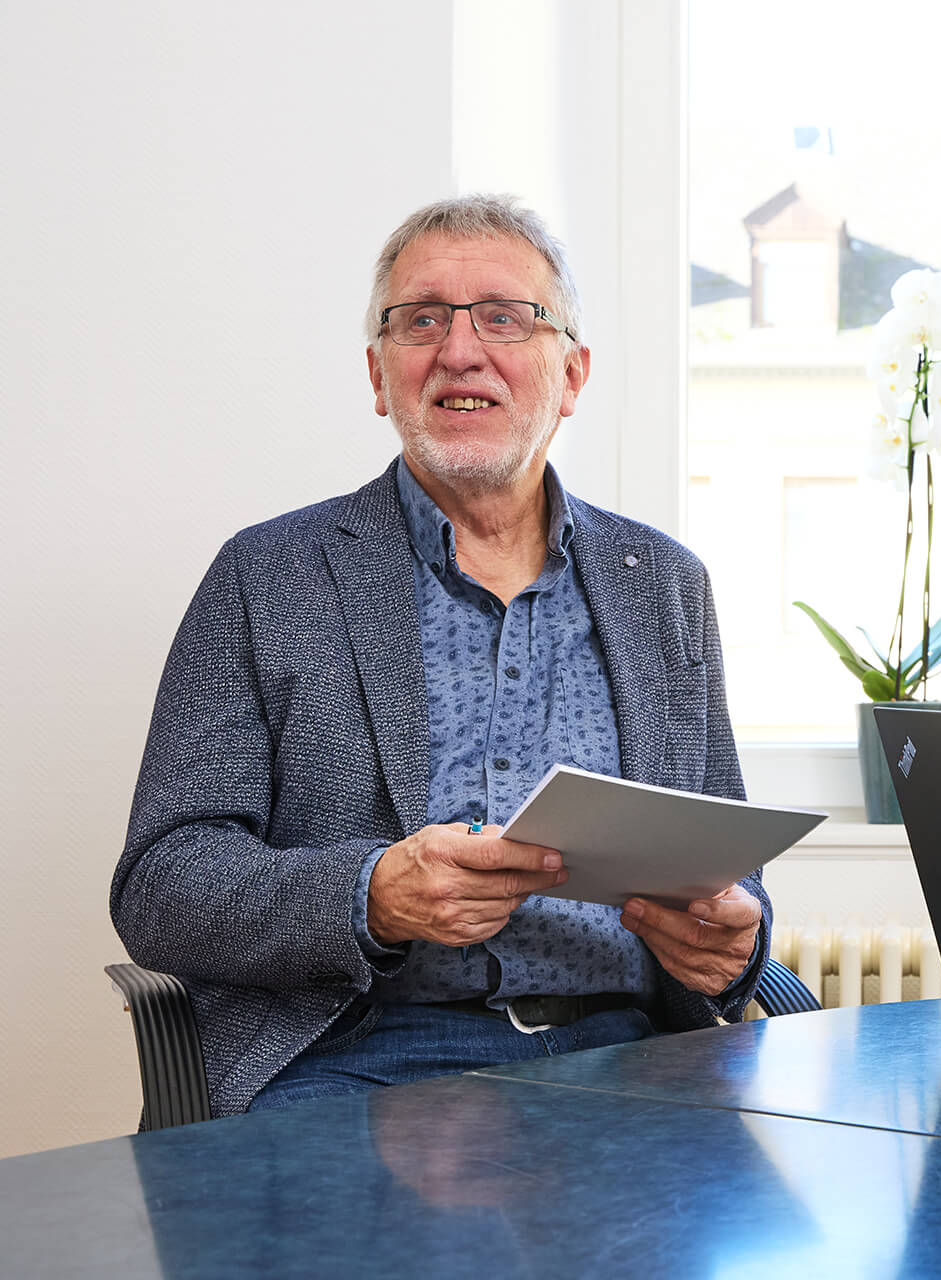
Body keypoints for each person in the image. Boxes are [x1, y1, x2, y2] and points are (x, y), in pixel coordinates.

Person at [111, 195, 769, 1117]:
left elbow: (730, 869)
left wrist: (734, 944)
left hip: (636, 1055)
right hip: (359, 1057)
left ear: (572, 375)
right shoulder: (268, 575)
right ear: (380, 375)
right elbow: (161, 885)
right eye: (422, 320)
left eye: (505, 317)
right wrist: (368, 895)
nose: (460, 351)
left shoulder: (662, 585)